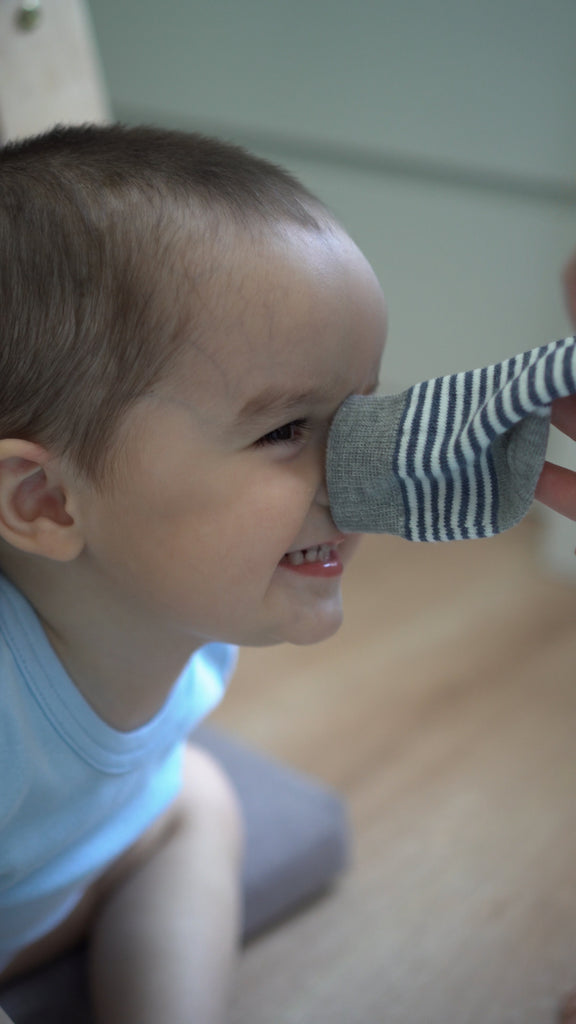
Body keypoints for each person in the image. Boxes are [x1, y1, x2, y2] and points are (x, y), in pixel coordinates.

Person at [0, 123, 387, 1024]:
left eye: (360, 415)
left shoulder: (186, 619)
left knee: (196, 801)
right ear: (49, 503)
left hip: (44, 886)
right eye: (287, 429)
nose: (362, 471)